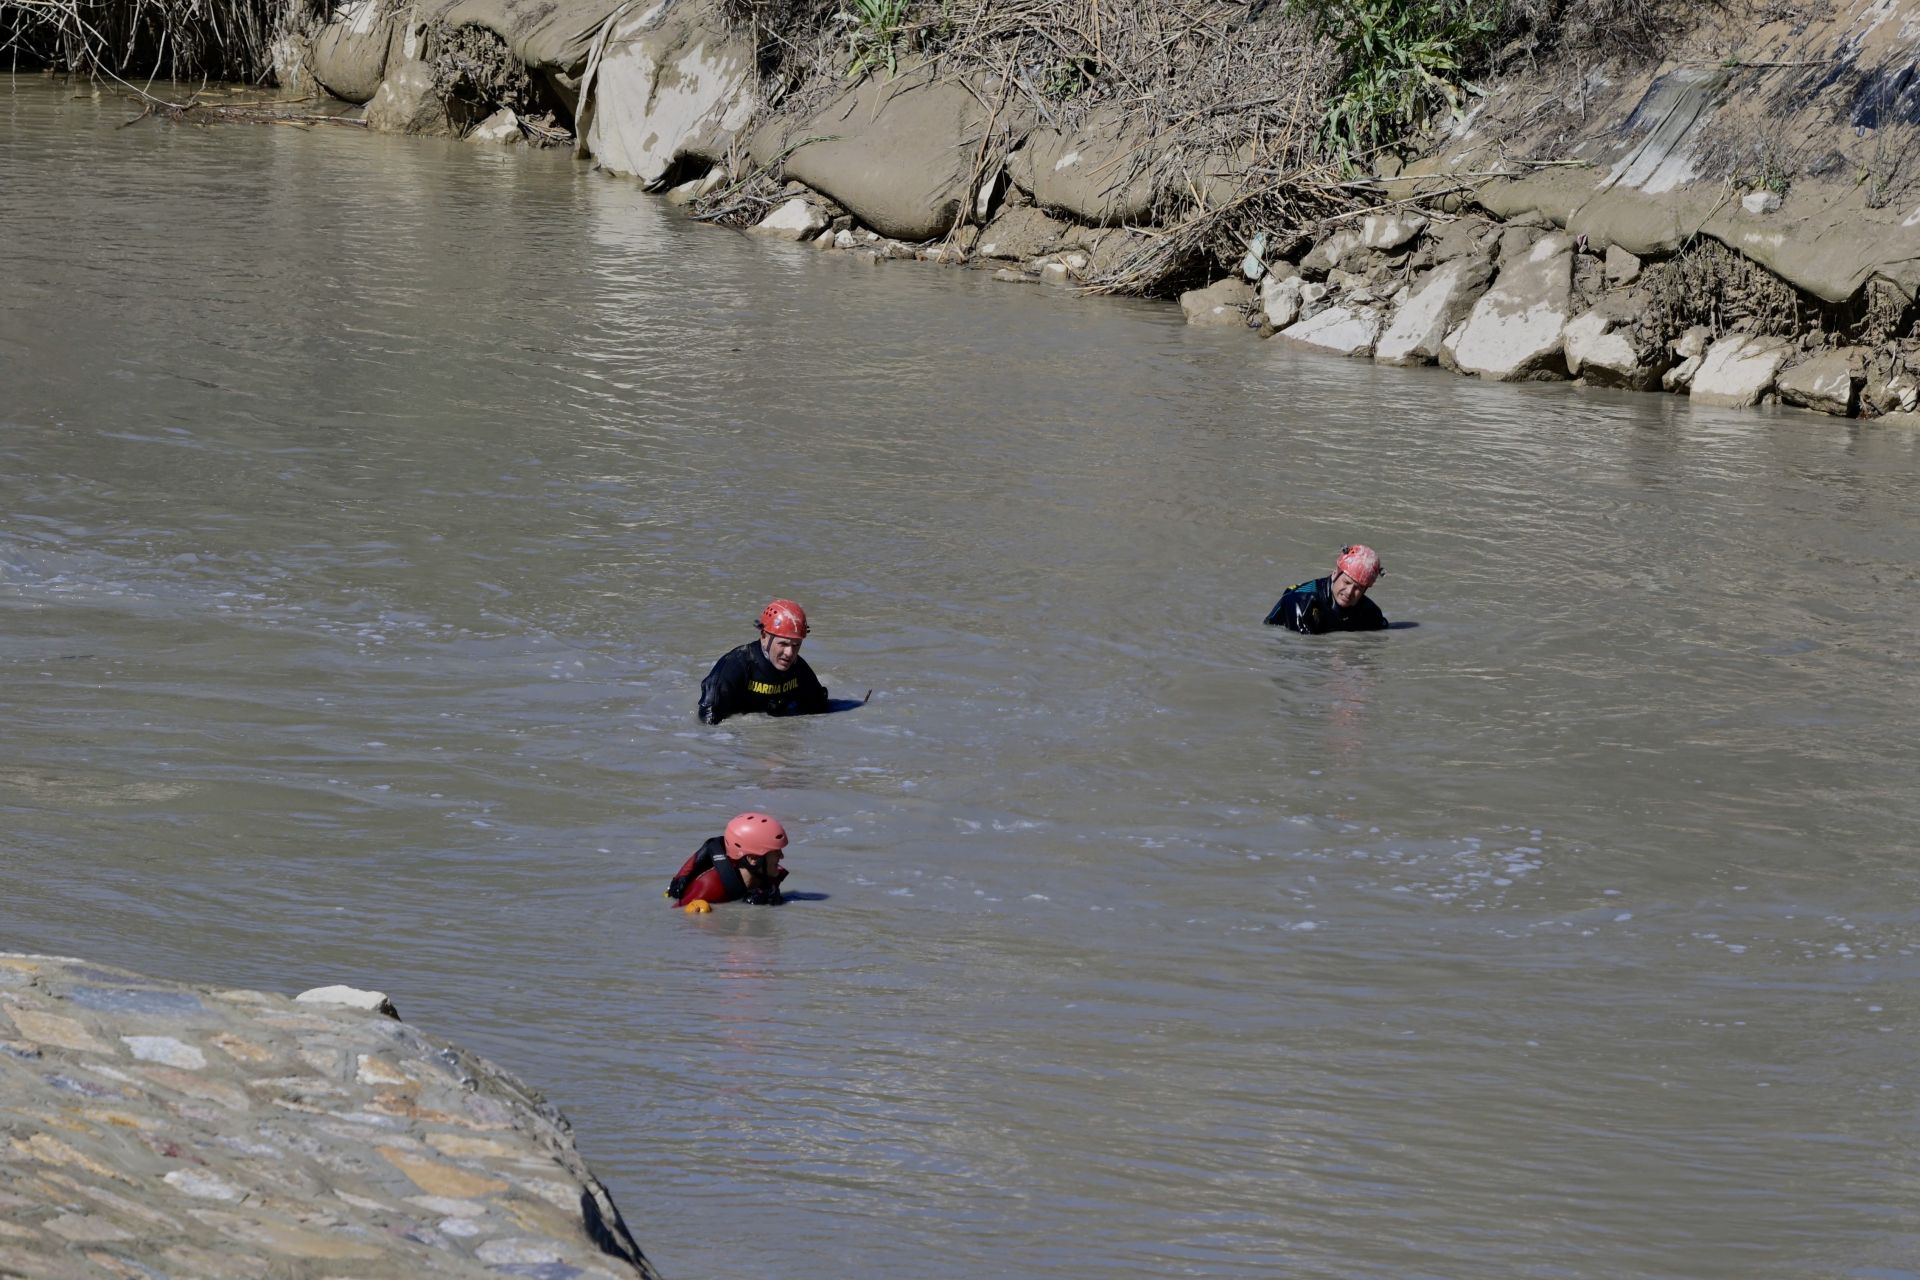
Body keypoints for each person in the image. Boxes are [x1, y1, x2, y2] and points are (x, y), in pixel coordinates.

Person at [697, 598, 831, 725]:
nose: (790, 653)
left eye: (796, 645)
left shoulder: (799, 669)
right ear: (764, 637)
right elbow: (708, 721)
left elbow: (820, 708)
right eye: (783, 644)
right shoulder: (736, 665)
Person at [667, 812, 791, 907]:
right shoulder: (709, 887)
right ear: (753, 859)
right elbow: (676, 917)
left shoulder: (766, 874)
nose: (782, 857)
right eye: (776, 852)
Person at [1264, 544, 1388, 633]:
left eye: (1358, 589)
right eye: (1346, 582)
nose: (1349, 592)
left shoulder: (1371, 612)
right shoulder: (1302, 602)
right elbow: (1303, 651)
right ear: (1335, 573)